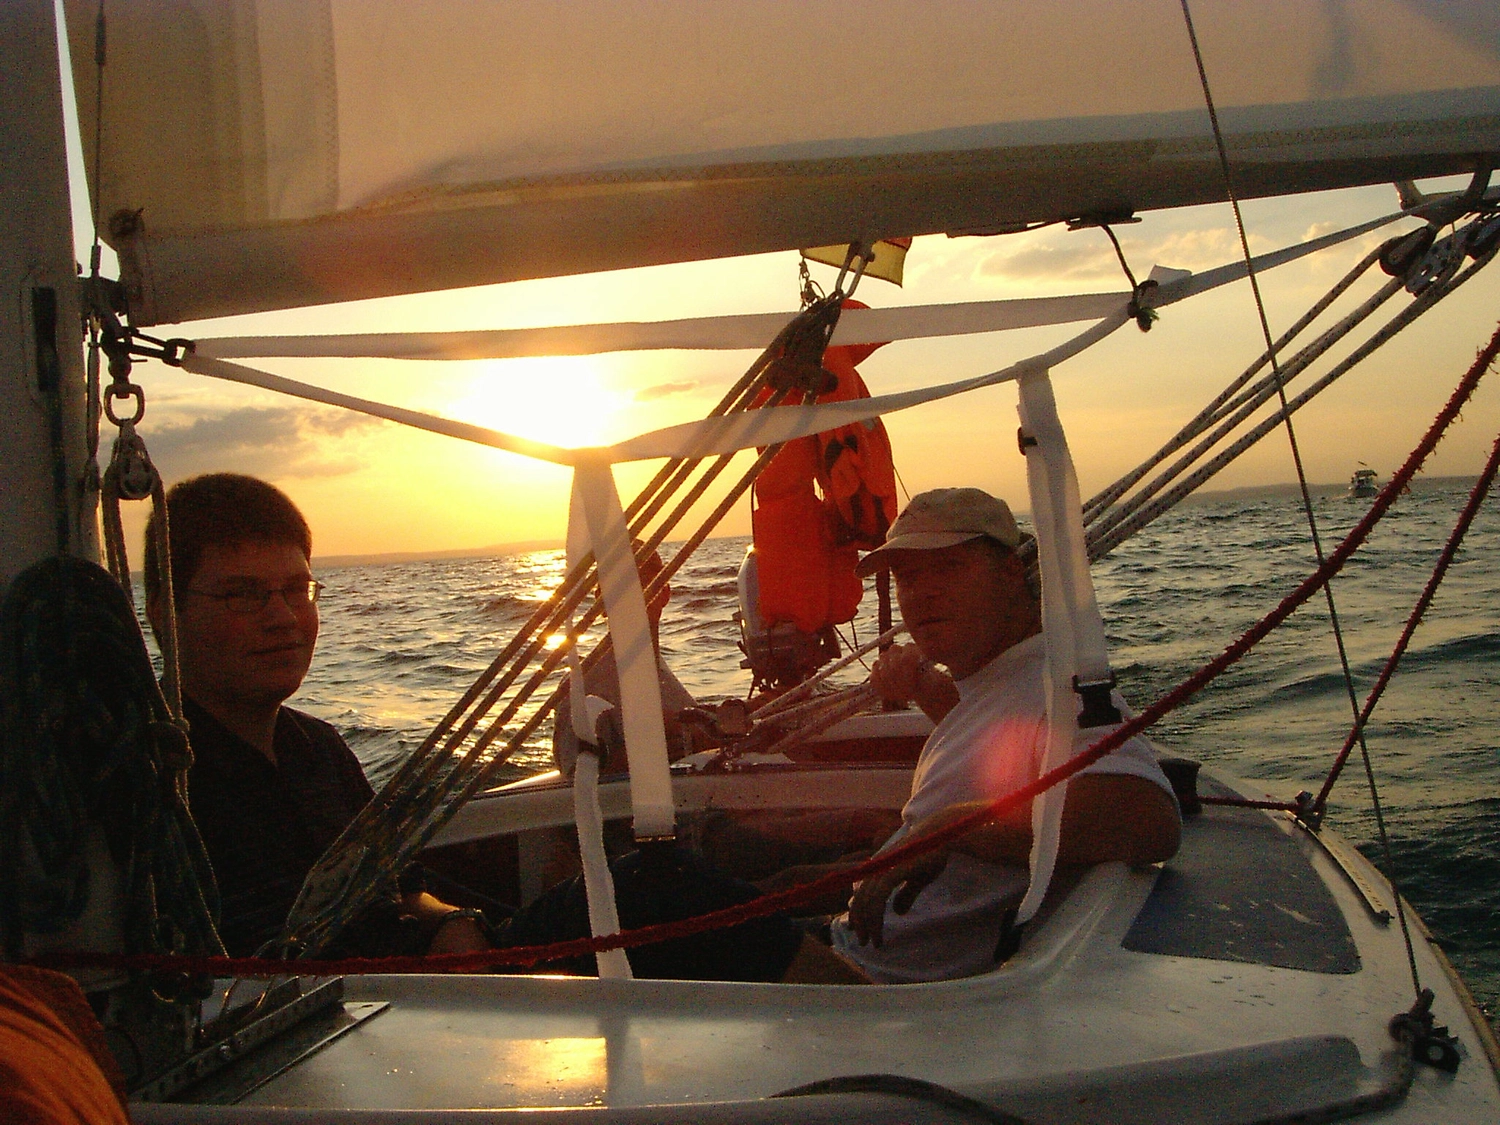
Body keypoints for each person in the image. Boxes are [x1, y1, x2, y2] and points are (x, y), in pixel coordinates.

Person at [819, 487, 1181, 983]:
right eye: (907, 576)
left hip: (873, 988)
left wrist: (950, 829)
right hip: (858, 951)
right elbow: (992, 740)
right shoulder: (1002, 682)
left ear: (1011, 572)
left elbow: (1147, 819)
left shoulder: (1056, 689)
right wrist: (924, 688)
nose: (921, 593)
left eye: (947, 568)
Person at [144, 473, 490, 958]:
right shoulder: (151, 778)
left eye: (297, 589)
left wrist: (448, 924)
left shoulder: (320, 749)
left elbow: (404, 890)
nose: (283, 617)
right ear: (164, 612)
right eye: (242, 594)